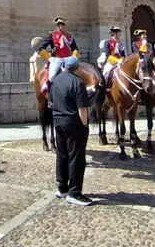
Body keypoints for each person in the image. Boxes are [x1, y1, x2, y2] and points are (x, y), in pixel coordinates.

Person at [50, 56, 92, 206]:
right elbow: (82, 108)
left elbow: (51, 102)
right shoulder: (77, 82)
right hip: (73, 123)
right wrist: (85, 125)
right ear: (77, 68)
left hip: (58, 121)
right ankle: (74, 193)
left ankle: (62, 188)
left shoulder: (56, 80)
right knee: (76, 157)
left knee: (62, 154)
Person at [39, 17, 79, 95]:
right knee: (51, 77)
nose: (62, 26)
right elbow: (41, 48)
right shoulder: (52, 35)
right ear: (58, 25)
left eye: (64, 25)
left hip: (69, 59)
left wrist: (74, 56)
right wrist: (49, 58)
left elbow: (75, 49)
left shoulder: (69, 37)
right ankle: (50, 95)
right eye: (61, 25)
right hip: (57, 59)